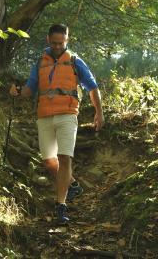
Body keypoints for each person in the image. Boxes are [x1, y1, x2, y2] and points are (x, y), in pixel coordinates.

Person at [9, 24, 104, 225]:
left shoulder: (75, 62)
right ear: (48, 40)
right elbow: (29, 89)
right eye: (54, 43)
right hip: (44, 116)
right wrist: (17, 91)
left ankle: (60, 206)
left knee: (64, 157)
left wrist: (99, 112)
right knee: (49, 162)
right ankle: (73, 185)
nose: (58, 46)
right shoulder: (40, 62)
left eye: (61, 43)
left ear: (67, 40)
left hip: (68, 116)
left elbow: (93, 87)